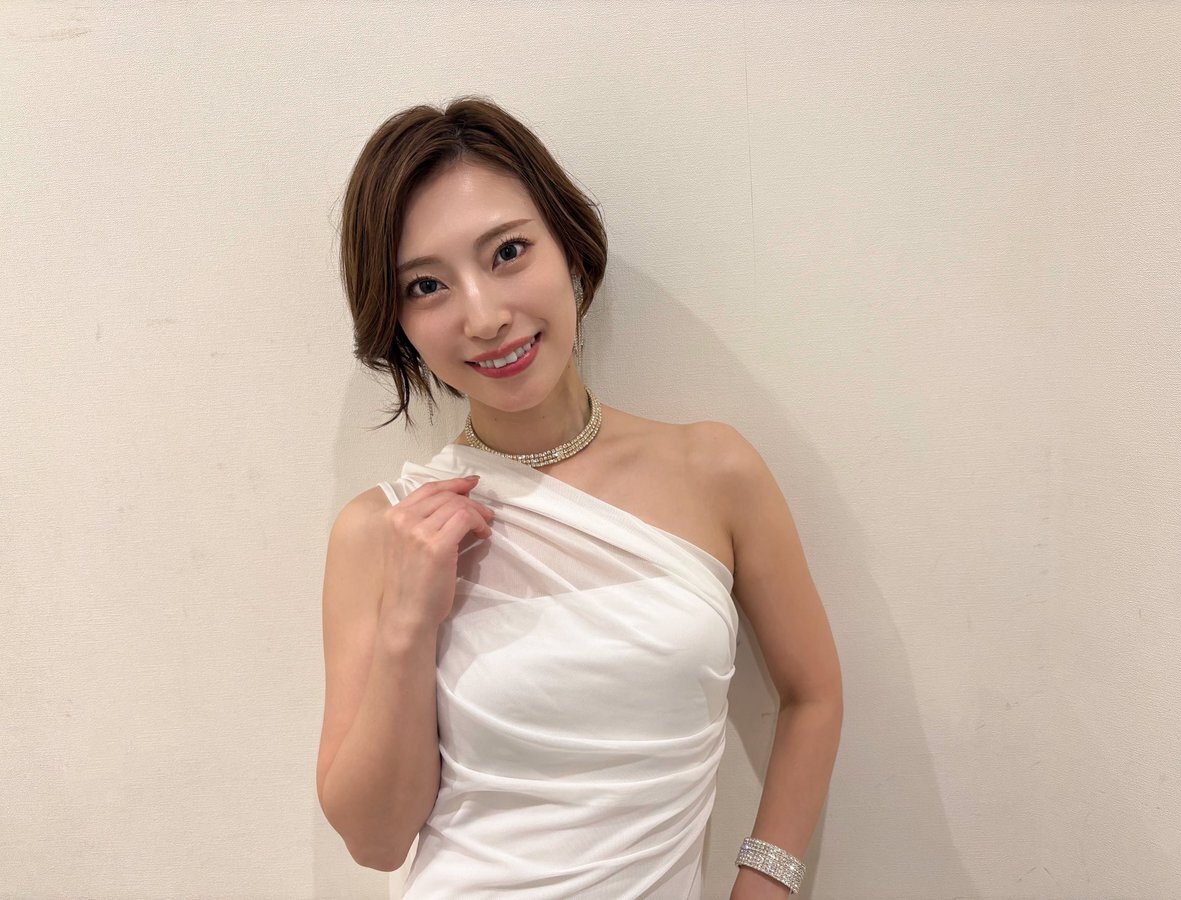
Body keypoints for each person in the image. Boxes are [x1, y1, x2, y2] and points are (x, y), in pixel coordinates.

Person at [315, 96, 843, 899]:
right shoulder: (383, 529)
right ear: (400, 325)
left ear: (569, 247)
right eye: (426, 285)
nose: (484, 316)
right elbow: (377, 841)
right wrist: (407, 625)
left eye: (508, 252)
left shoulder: (716, 471)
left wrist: (764, 882)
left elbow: (813, 696)